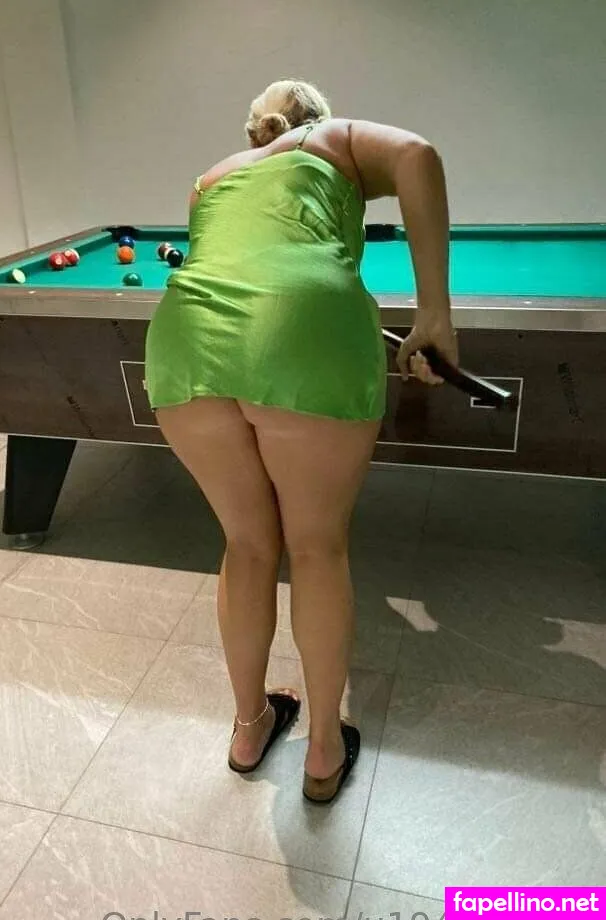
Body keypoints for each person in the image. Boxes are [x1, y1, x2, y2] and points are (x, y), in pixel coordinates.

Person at [144, 79, 457, 804]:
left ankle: (249, 728)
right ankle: (321, 749)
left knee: (247, 544)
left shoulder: (211, 178)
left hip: (186, 343)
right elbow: (417, 155)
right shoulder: (333, 137)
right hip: (305, 337)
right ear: (313, 118)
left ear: (257, 129)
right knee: (316, 547)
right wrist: (435, 314)